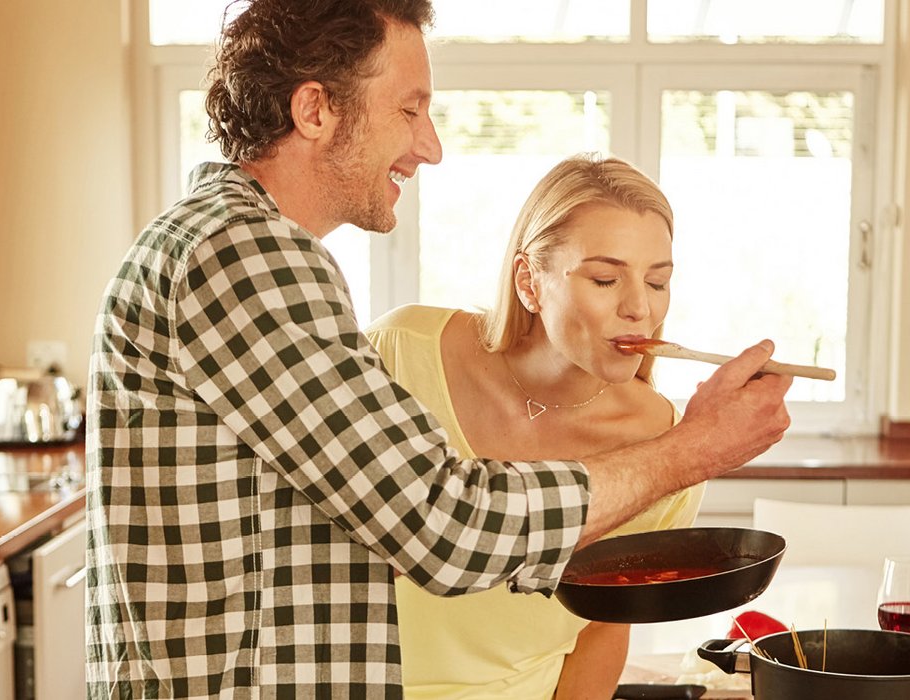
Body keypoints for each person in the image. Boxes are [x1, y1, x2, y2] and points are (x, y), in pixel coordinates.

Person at [84, 1, 793, 697]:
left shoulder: (219, 241)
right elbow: (445, 524)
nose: (431, 145)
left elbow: (372, 526)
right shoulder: (248, 255)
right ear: (315, 110)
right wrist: (695, 448)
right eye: (408, 110)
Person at [369, 154, 698, 699]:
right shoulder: (400, 352)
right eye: (605, 278)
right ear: (529, 281)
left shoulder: (669, 445)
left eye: (657, 282)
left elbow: (603, 626)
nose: (640, 308)